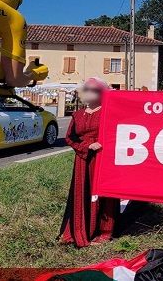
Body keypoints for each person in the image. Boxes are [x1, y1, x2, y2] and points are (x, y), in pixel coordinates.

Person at [59, 77, 119, 247]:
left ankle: (104, 231)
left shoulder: (109, 111)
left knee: (104, 195)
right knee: (82, 194)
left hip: (104, 158)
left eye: (94, 89)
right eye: (87, 89)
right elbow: (70, 137)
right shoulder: (77, 115)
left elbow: (117, 130)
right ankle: (79, 230)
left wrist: (101, 144)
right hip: (83, 160)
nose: (90, 92)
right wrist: (87, 146)